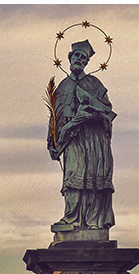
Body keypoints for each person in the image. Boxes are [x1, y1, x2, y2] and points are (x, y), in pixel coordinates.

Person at [47, 39, 116, 231]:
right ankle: (72, 218)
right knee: (73, 176)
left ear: (87, 63)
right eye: (77, 55)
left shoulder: (94, 83)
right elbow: (54, 116)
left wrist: (90, 115)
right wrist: (52, 142)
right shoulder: (61, 87)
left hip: (93, 139)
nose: (79, 59)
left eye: (83, 58)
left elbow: (107, 112)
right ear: (69, 57)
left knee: (93, 177)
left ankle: (94, 221)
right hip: (72, 137)